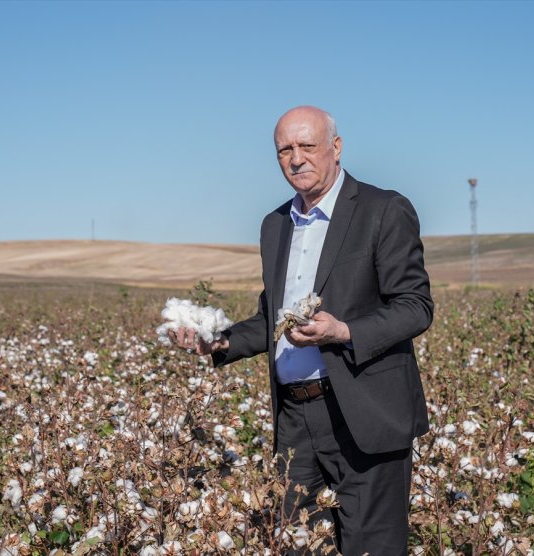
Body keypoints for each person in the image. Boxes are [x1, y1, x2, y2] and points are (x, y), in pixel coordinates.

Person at [171, 106, 433, 555]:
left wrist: (343, 331)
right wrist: (218, 342)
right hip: (295, 420)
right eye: (285, 150)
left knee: (371, 547)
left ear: (335, 147)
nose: (296, 159)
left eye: (307, 146)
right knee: (296, 543)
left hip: (364, 414)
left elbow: (415, 307)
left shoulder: (383, 210)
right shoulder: (275, 225)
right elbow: (272, 319)